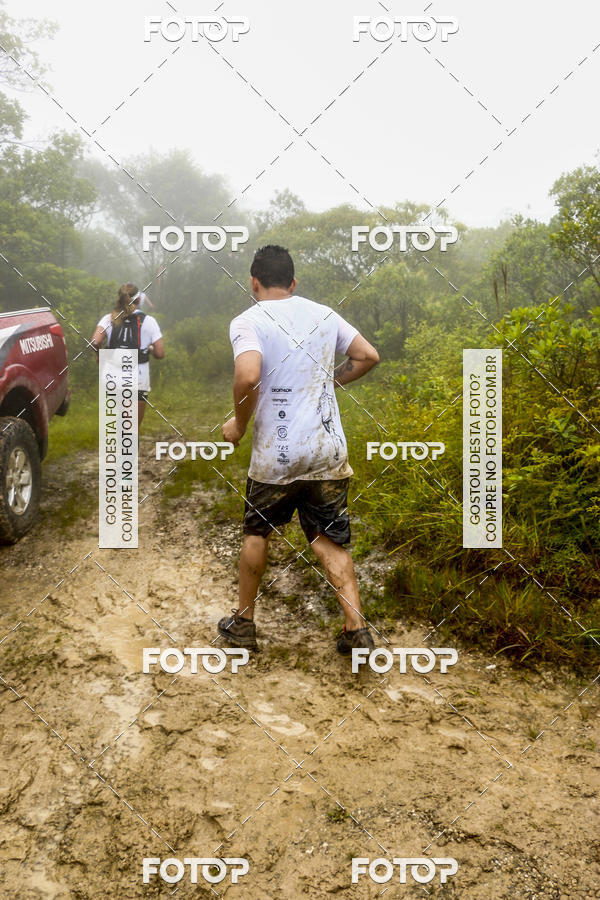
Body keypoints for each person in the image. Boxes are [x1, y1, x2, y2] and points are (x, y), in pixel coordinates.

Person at [218, 245, 379, 655]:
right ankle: (355, 629)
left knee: (257, 531)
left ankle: (244, 624)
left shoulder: (248, 321)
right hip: (327, 450)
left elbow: (248, 374)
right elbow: (367, 356)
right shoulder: (324, 314)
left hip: (277, 455)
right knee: (330, 538)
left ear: (253, 283)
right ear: (293, 283)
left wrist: (238, 424)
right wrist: (325, 383)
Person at [90, 283, 164, 426]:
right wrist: (149, 350)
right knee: (131, 428)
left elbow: (95, 341)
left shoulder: (108, 319)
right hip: (138, 378)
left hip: (113, 378)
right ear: (139, 300)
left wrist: (99, 356)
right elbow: (160, 353)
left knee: (119, 422)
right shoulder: (149, 321)